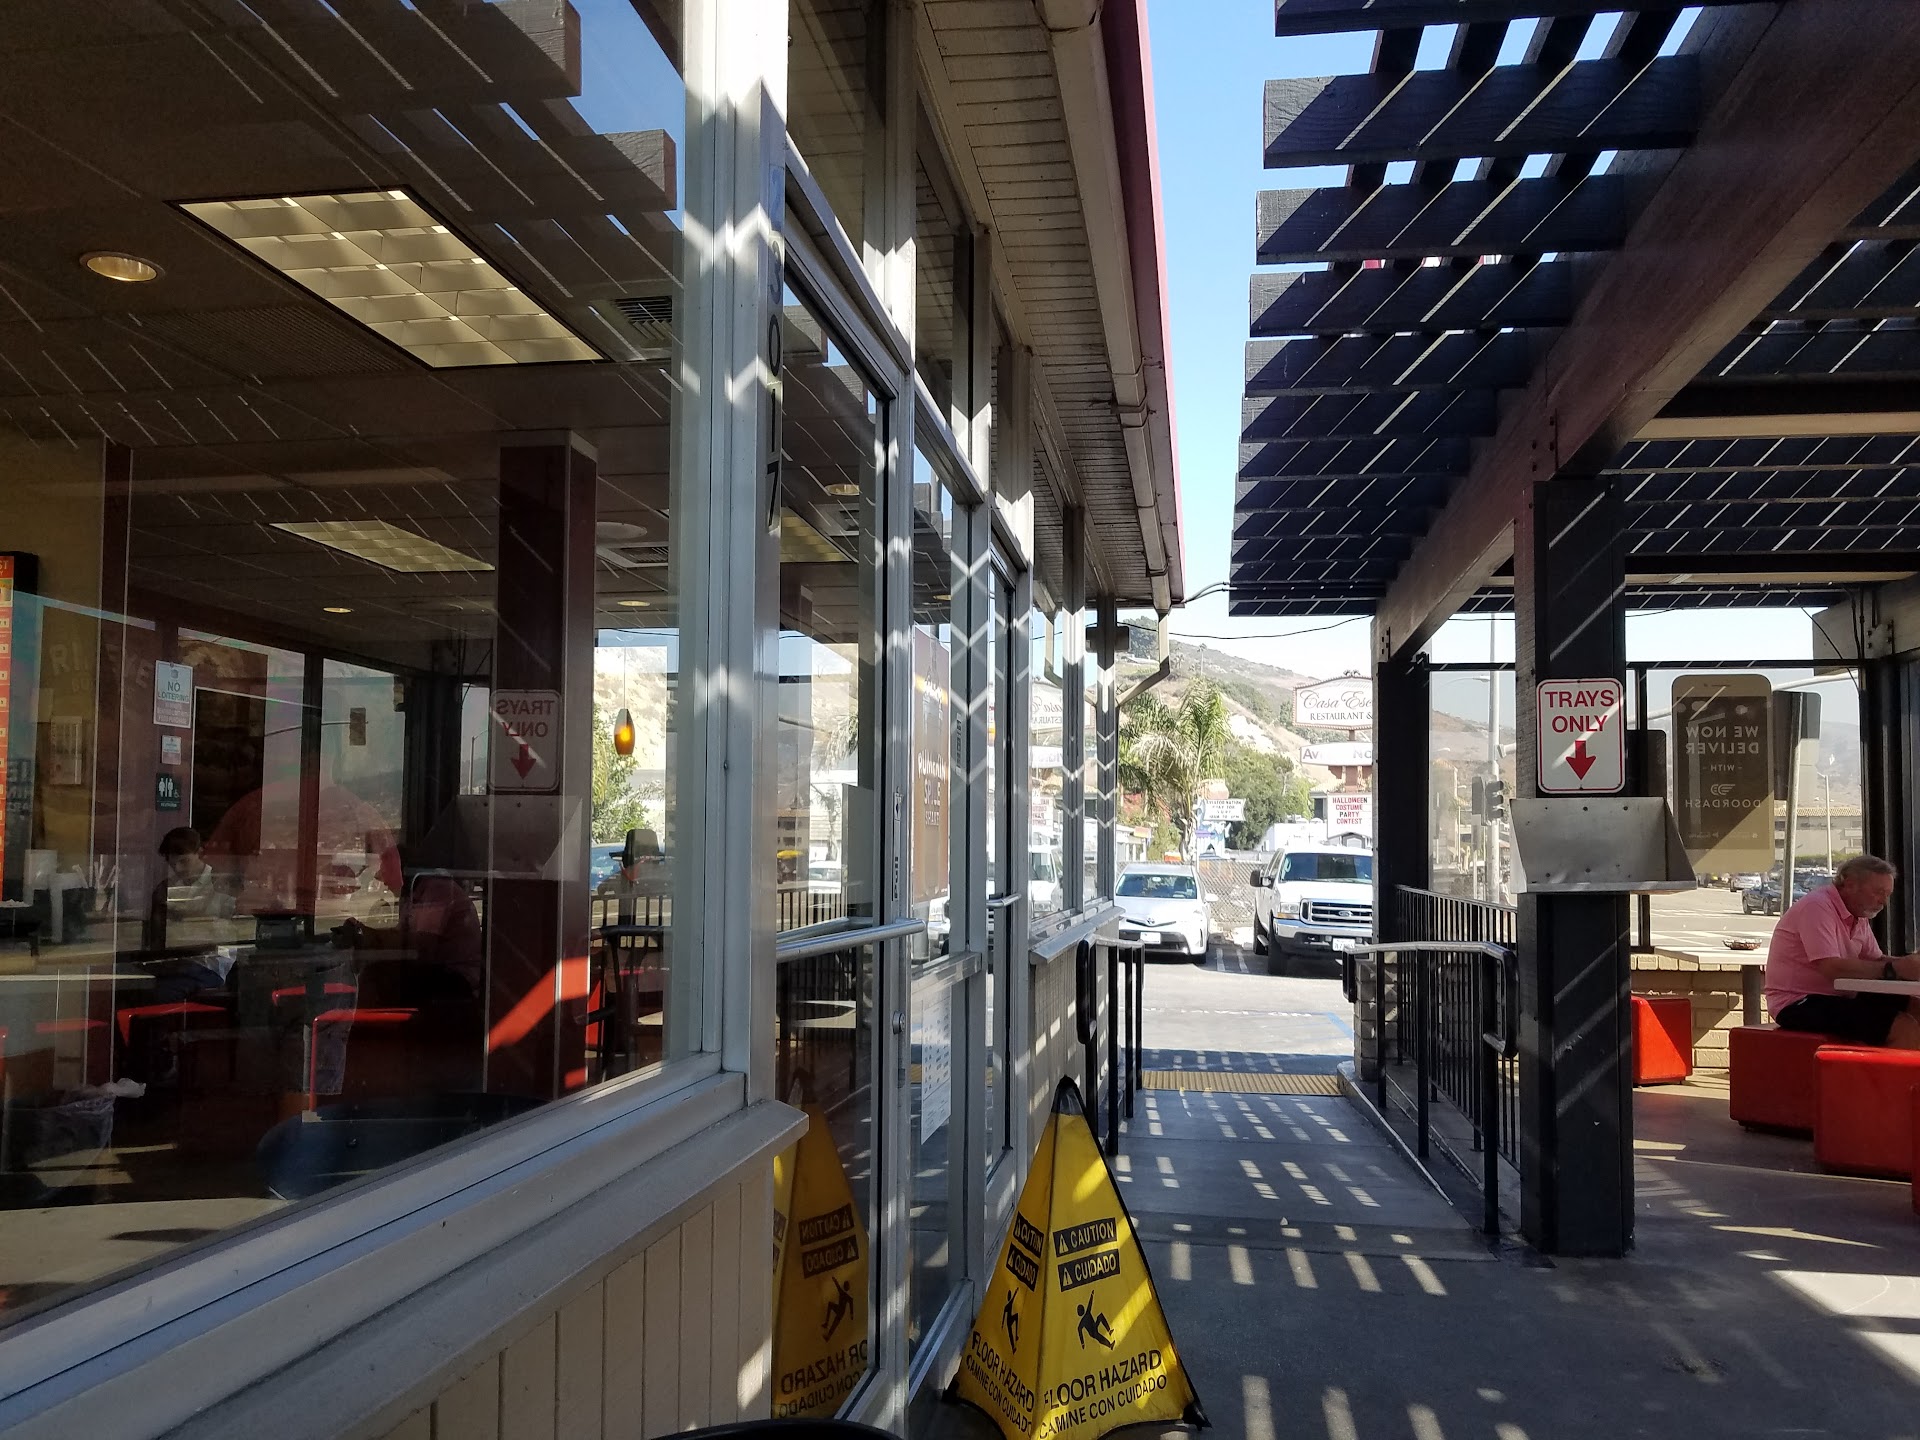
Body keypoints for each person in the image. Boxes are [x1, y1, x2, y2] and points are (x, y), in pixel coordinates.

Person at [1766, 854, 1920, 1048]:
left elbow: (1876, 960)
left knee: (1916, 1007)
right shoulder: (1817, 906)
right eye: (1878, 892)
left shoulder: (1857, 915)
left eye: (1887, 895)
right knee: (1902, 1027)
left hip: (1839, 996)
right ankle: (1898, 1068)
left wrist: (1910, 964)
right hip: (1798, 1001)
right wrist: (1895, 969)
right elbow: (1831, 968)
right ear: (1849, 884)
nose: (1883, 902)